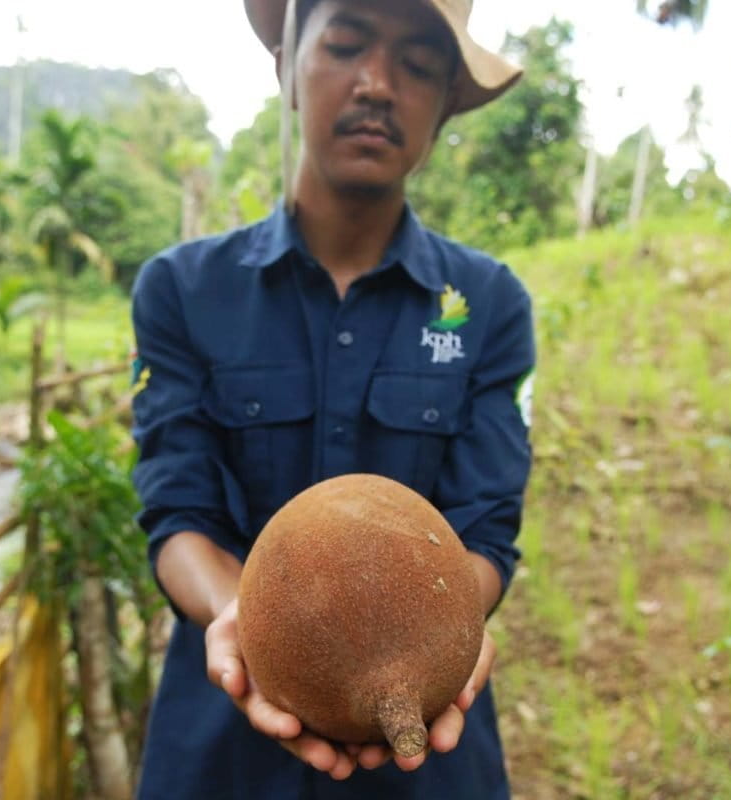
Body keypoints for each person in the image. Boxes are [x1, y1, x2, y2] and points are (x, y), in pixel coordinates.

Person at [129, 0, 535, 797]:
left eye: (418, 65)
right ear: (287, 65)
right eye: (347, 44)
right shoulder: (182, 290)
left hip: (428, 750)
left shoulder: (487, 304)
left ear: (446, 104)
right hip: (221, 751)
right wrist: (246, 621)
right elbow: (177, 514)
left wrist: (438, 638)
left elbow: (486, 529)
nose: (377, 84)